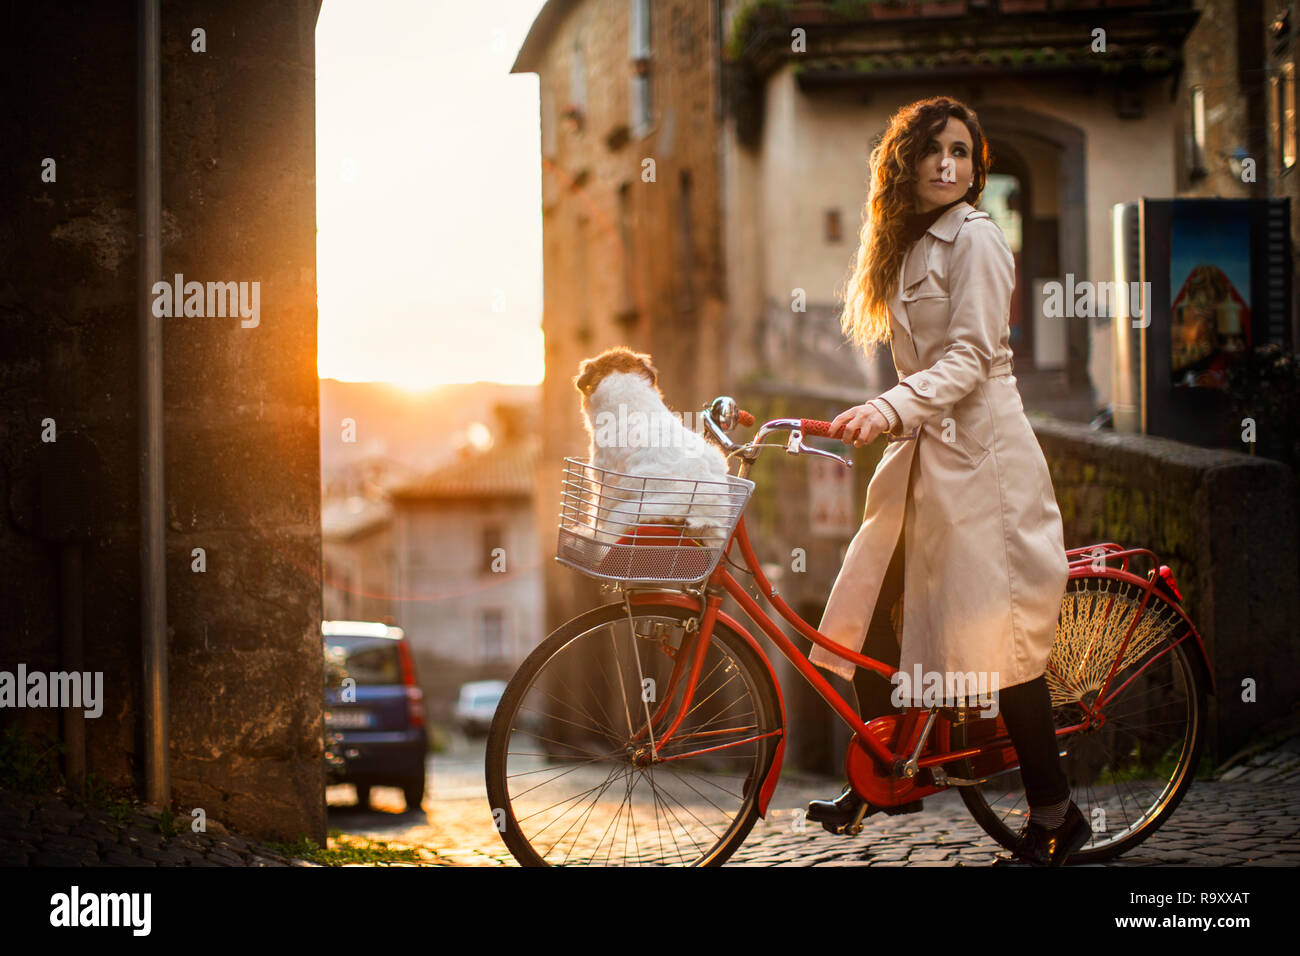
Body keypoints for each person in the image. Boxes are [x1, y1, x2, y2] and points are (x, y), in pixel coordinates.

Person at [805, 96, 1091, 866]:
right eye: (934, 151)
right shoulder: (906, 245)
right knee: (867, 602)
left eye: (962, 152)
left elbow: (968, 359)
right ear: (905, 164)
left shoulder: (978, 239)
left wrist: (887, 407)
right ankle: (880, 774)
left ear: (976, 165)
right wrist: (891, 415)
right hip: (929, 455)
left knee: (1002, 642)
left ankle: (1056, 811)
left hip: (983, 462)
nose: (949, 165)